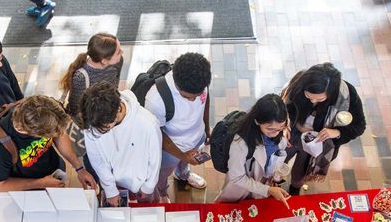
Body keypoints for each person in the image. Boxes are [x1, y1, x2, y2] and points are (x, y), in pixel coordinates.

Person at [282, 62, 366, 195]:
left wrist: (337, 132)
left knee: (302, 168)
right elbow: (284, 107)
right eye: (308, 96)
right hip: (293, 132)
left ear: (331, 93)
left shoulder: (347, 96)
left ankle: (295, 188)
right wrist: (285, 125)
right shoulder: (299, 83)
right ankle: (277, 180)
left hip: (318, 140)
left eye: (319, 99)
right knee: (280, 158)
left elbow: (359, 126)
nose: (312, 102)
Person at [0, 95, 97, 191]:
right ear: (33, 133)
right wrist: (41, 183)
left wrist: (79, 168)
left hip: (54, 169)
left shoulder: (41, 107)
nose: (58, 134)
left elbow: (59, 134)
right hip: (27, 189)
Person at [144, 52, 211, 203]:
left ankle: (183, 175)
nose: (193, 100)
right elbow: (156, 134)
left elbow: (206, 100)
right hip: (170, 150)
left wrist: (207, 128)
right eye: (187, 97)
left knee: (186, 163)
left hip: (196, 136)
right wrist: (182, 155)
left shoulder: (201, 79)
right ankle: (162, 191)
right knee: (162, 174)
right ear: (176, 83)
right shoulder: (156, 99)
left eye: (197, 94)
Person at [81, 82, 162, 206]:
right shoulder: (93, 121)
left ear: (118, 108)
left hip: (141, 183)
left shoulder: (148, 124)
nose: (98, 132)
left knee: (148, 210)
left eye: (104, 129)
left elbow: (155, 160)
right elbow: (97, 160)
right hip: (112, 180)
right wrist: (110, 189)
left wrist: (148, 187)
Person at [215, 94, 291, 208]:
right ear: (257, 121)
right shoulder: (240, 143)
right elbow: (237, 177)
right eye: (270, 129)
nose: (276, 133)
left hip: (263, 180)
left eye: (281, 128)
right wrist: (268, 190)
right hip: (242, 187)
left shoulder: (280, 127)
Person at [59, 32, 123, 119]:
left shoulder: (118, 61)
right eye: (118, 52)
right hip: (91, 118)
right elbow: (76, 110)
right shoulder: (80, 77)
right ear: (104, 61)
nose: (122, 52)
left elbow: (115, 86)